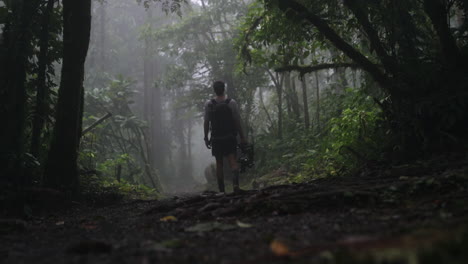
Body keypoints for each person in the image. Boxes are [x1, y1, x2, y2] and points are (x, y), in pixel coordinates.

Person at [204, 81, 247, 193]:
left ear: (214, 90)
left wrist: (206, 138)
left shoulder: (209, 104)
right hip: (229, 137)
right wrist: (242, 137)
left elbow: (206, 122)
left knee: (219, 163)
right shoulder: (231, 103)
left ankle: (222, 190)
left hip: (216, 138)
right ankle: (236, 186)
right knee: (233, 160)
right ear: (224, 89)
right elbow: (237, 121)